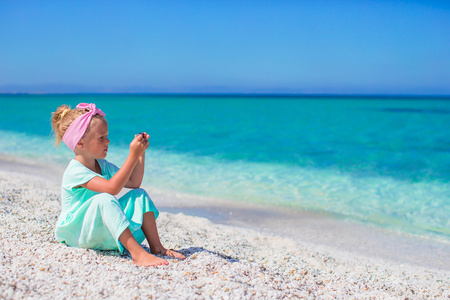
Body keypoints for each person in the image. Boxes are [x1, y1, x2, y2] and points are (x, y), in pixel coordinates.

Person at [51, 103, 185, 267]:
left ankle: (157, 247)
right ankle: (138, 254)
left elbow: (133, 183)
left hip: (99, 229)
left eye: (106, 136)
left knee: (139, 195)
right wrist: (132, 155)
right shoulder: (75, 171)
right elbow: (112, 188)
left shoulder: (102, 165)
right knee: (105, 199)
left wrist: (140, 155)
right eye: (101, 138)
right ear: (80, 143)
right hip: (77, 232)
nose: (108, 141)